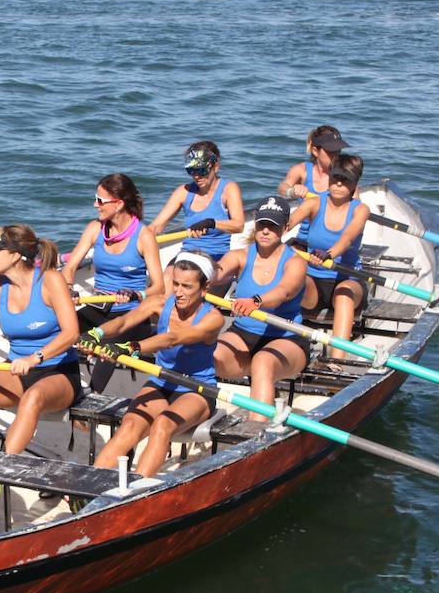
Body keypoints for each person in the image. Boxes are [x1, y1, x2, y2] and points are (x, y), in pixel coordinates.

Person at [86, 252, 225, 477]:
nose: (179, 292)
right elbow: (122, 323)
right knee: (129, 427)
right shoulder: (158, 303)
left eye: (187, 287)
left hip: (197, 389)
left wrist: (131, 347)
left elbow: (174, 338)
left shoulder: (213, 319)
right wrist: (96, 333)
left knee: (162, 425)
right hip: (161, 381)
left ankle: (137, 494)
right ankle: (87, 487)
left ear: (205, 288)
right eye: (176, 284)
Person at [0, 223, 82, 455]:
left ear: (15, 255)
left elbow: (71, 333)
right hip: (17, 372)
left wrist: (34, 358)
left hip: (58, 371)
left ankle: (2, 465)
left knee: (33, 397)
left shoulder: (51, 280)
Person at [61, 173, 166, 391]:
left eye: (100, 200)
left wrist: (137, 294)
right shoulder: (95, 228)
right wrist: (68, 289)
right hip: (98, 308)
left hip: (130, 316)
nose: (95, 204)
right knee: (61, 330)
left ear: (118, 204)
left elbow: (159, 287)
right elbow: (69, 268)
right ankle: (61, 384)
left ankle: (91, 398)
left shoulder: (144, 236)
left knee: (108, 347)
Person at [212, 196, 310, 421]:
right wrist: (198, 276)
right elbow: (218, 271)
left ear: (285, 228)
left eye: (273, 226)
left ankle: (256, 432)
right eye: (261, 224)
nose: (266, 231)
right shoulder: (240, 256)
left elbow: (284, 291)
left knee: (263, 361)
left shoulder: (294, 262)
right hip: (243, 336)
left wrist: (255, 302)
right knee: (207, 354)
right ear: (254, 225)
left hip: (287, 339)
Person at [285, 153, 371, 360]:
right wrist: (268, 231)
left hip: (347, 277)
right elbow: (287, 223)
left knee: (343, 295)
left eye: (346, 180)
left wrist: (329, 254)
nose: (339, 184)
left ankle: (336, 360)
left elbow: (348, 238)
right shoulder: (314, 203)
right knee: (291, 281)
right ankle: (283, 342)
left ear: (355, 183)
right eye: (335, 177)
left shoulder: (360, 210)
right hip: (315, 281)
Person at [145, 141, 245, 282]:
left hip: (216, 257)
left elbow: (238, 225)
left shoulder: (229, 189)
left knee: (193, 282)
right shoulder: (183, 191)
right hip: (187, 255)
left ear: (215, 167)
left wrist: (211, 223)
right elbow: (156, 226)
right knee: (166, 280)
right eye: (192, 171)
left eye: (202, 170)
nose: (197, 176)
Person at [276, 126, 349, 244]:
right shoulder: (301, 170)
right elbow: (282, 187)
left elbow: (356, 205)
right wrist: (292, 191)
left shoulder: (346, 175)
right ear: (315, 151)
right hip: (304, 237)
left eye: (338, 150)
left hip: (333, 240)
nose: (336, 155)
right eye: (331, 151)